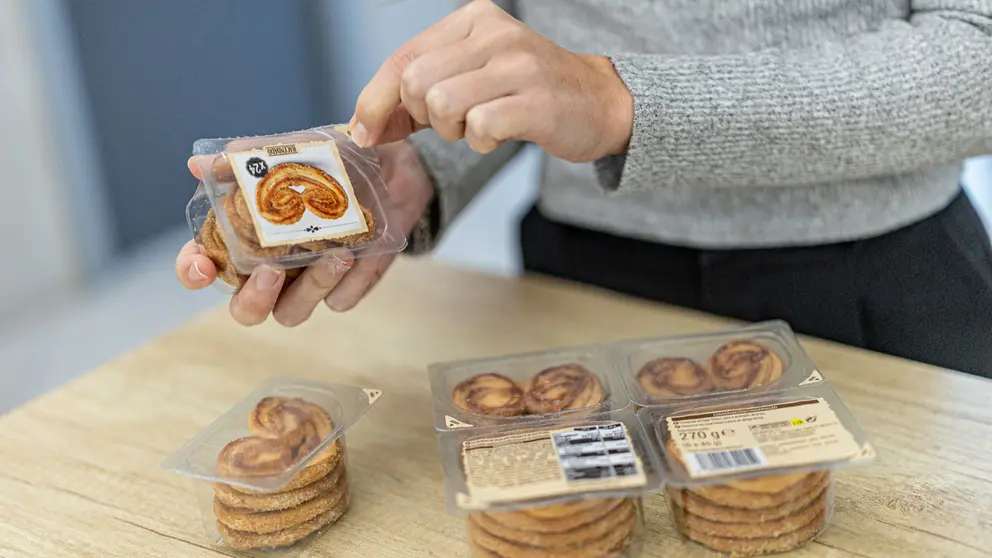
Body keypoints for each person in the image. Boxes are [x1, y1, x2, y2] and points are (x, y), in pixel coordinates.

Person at [176, 0, 992, 377]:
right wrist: (424, 162)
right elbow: (527, 21)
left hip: (876, 285)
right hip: (577, 271)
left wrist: (623, 102)